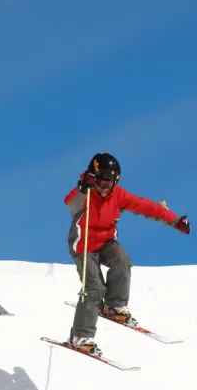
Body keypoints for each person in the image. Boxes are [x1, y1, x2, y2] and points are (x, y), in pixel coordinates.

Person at [65, 152, 190, 355]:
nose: (105, 188)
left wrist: (175, 220)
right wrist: (83, 187)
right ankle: (81, 336)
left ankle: (114, 306)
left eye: (110, 184)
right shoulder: (85, 193)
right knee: (94, 288)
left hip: (106, 242)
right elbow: (70, 203)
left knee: (123, 260)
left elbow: (148, 207)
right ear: (92, 178)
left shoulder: (118, 195)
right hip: (83, 245)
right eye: (101, 183)